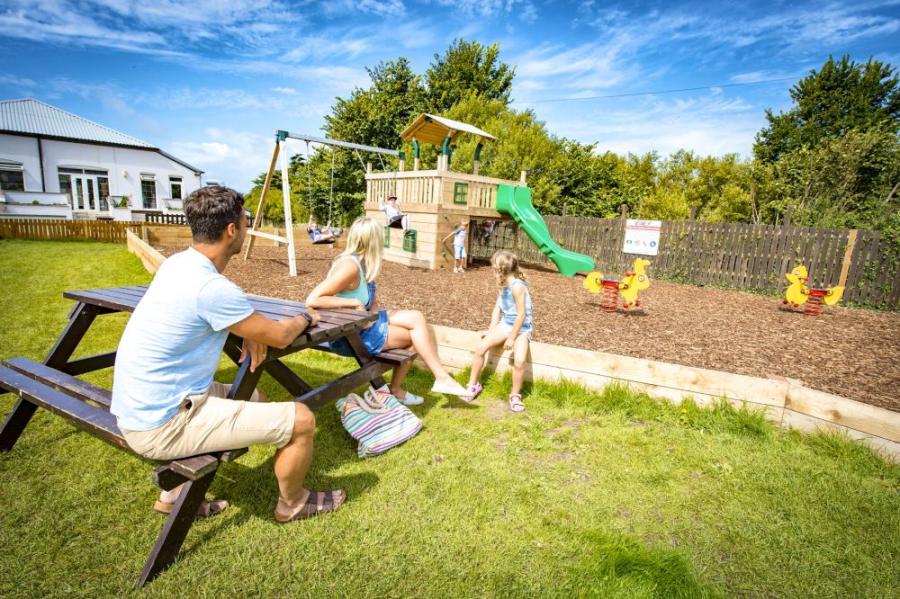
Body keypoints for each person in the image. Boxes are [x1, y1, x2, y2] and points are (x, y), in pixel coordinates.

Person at [111, 185, 345, 523]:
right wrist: (305, 316)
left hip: (139, 406)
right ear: (232, 230)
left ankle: (174, 494)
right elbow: (280, 336)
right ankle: (293, 503)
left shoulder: (178, 265)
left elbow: (206, 310)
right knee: (303, 419)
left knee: (256, 396)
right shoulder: (211, 288)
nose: (247, 230)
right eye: (245, 223)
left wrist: (245, 328)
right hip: (162, 423)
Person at [306, 217, 469, 404]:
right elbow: (313, 299)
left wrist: (371, 313)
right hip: (347, 334)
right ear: (372, 240)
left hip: (362, 324)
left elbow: (372, 300)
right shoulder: (349, 266)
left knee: (417, 318)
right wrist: (354, 305)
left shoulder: (364, 263)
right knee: (414, 339)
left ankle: (440, 378)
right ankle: (398, 390)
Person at [462, 250, 533, 413]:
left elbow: (521, 315)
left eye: (493, 267)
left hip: (521, 328)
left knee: (520, 361)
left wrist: (512, 338)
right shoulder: (503, 285)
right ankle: (473, 385)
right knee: (480, 348)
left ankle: (515, 395)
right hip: (506, 324)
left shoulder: (517, 287)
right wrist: (491, 331)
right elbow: (497, 309)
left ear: (499, 269)